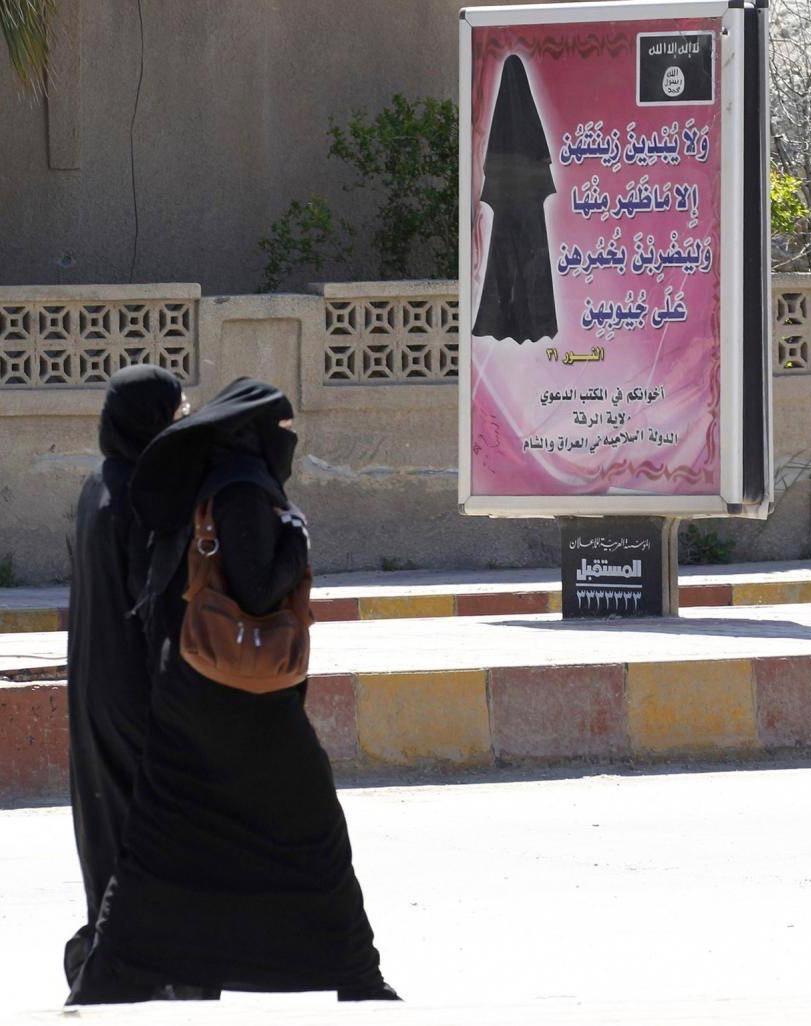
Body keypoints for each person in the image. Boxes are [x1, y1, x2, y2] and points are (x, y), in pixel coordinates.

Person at [67, 378, 399, 1005]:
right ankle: (355, 977)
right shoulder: (235, 490)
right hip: (188, 702)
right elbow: (246, 587)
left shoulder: (127, 488)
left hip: (135, 697)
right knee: (304, 838)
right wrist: (295, 539)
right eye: (282, 429)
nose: (290, 440)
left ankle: (111, 974)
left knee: (146, 847)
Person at [64, 365, 183, 987]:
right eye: (176, 410)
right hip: (135, 691)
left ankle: (108, 955)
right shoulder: (142, 496)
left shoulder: (96, 485)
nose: (183, 420)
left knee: (107, 824)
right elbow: (153, 607)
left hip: (91, 686)